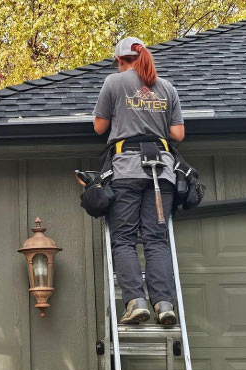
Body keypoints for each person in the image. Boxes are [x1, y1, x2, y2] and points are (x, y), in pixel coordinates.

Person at [92, 37, 185, 325]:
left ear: (120, 60)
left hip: (127, 169)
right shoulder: (167, 87)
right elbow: (178, 134)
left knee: (124, 239)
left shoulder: (114, 82)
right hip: (161, 172)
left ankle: (135, 302)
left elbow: (99, 127)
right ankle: (164, 304)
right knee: (157, 240)